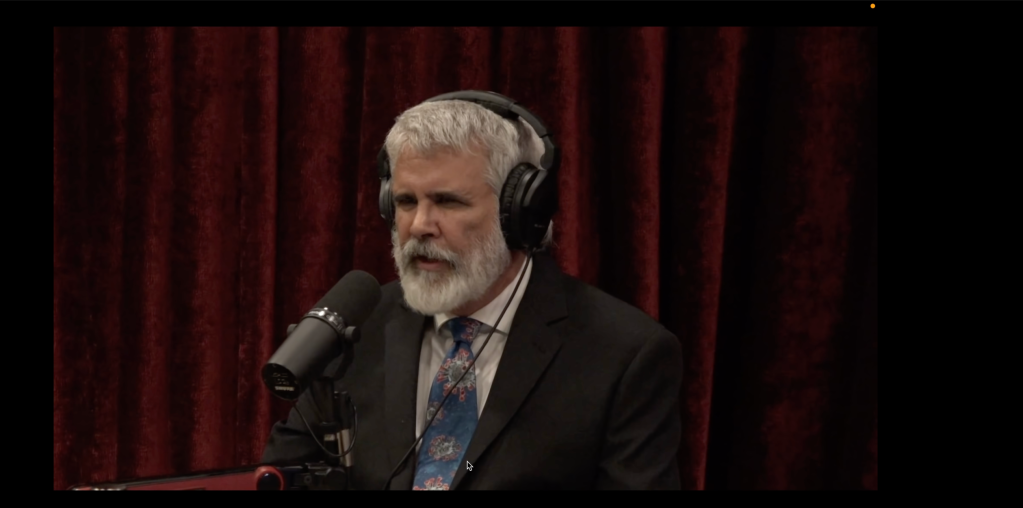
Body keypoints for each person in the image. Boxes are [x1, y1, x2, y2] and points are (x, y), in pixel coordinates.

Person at [261, 91, 684, 490]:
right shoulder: (355, 330)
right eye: (406, 201)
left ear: (519, 212)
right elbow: (280, 475)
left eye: (448, 201)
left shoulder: (623, 354)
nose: (420, 225)